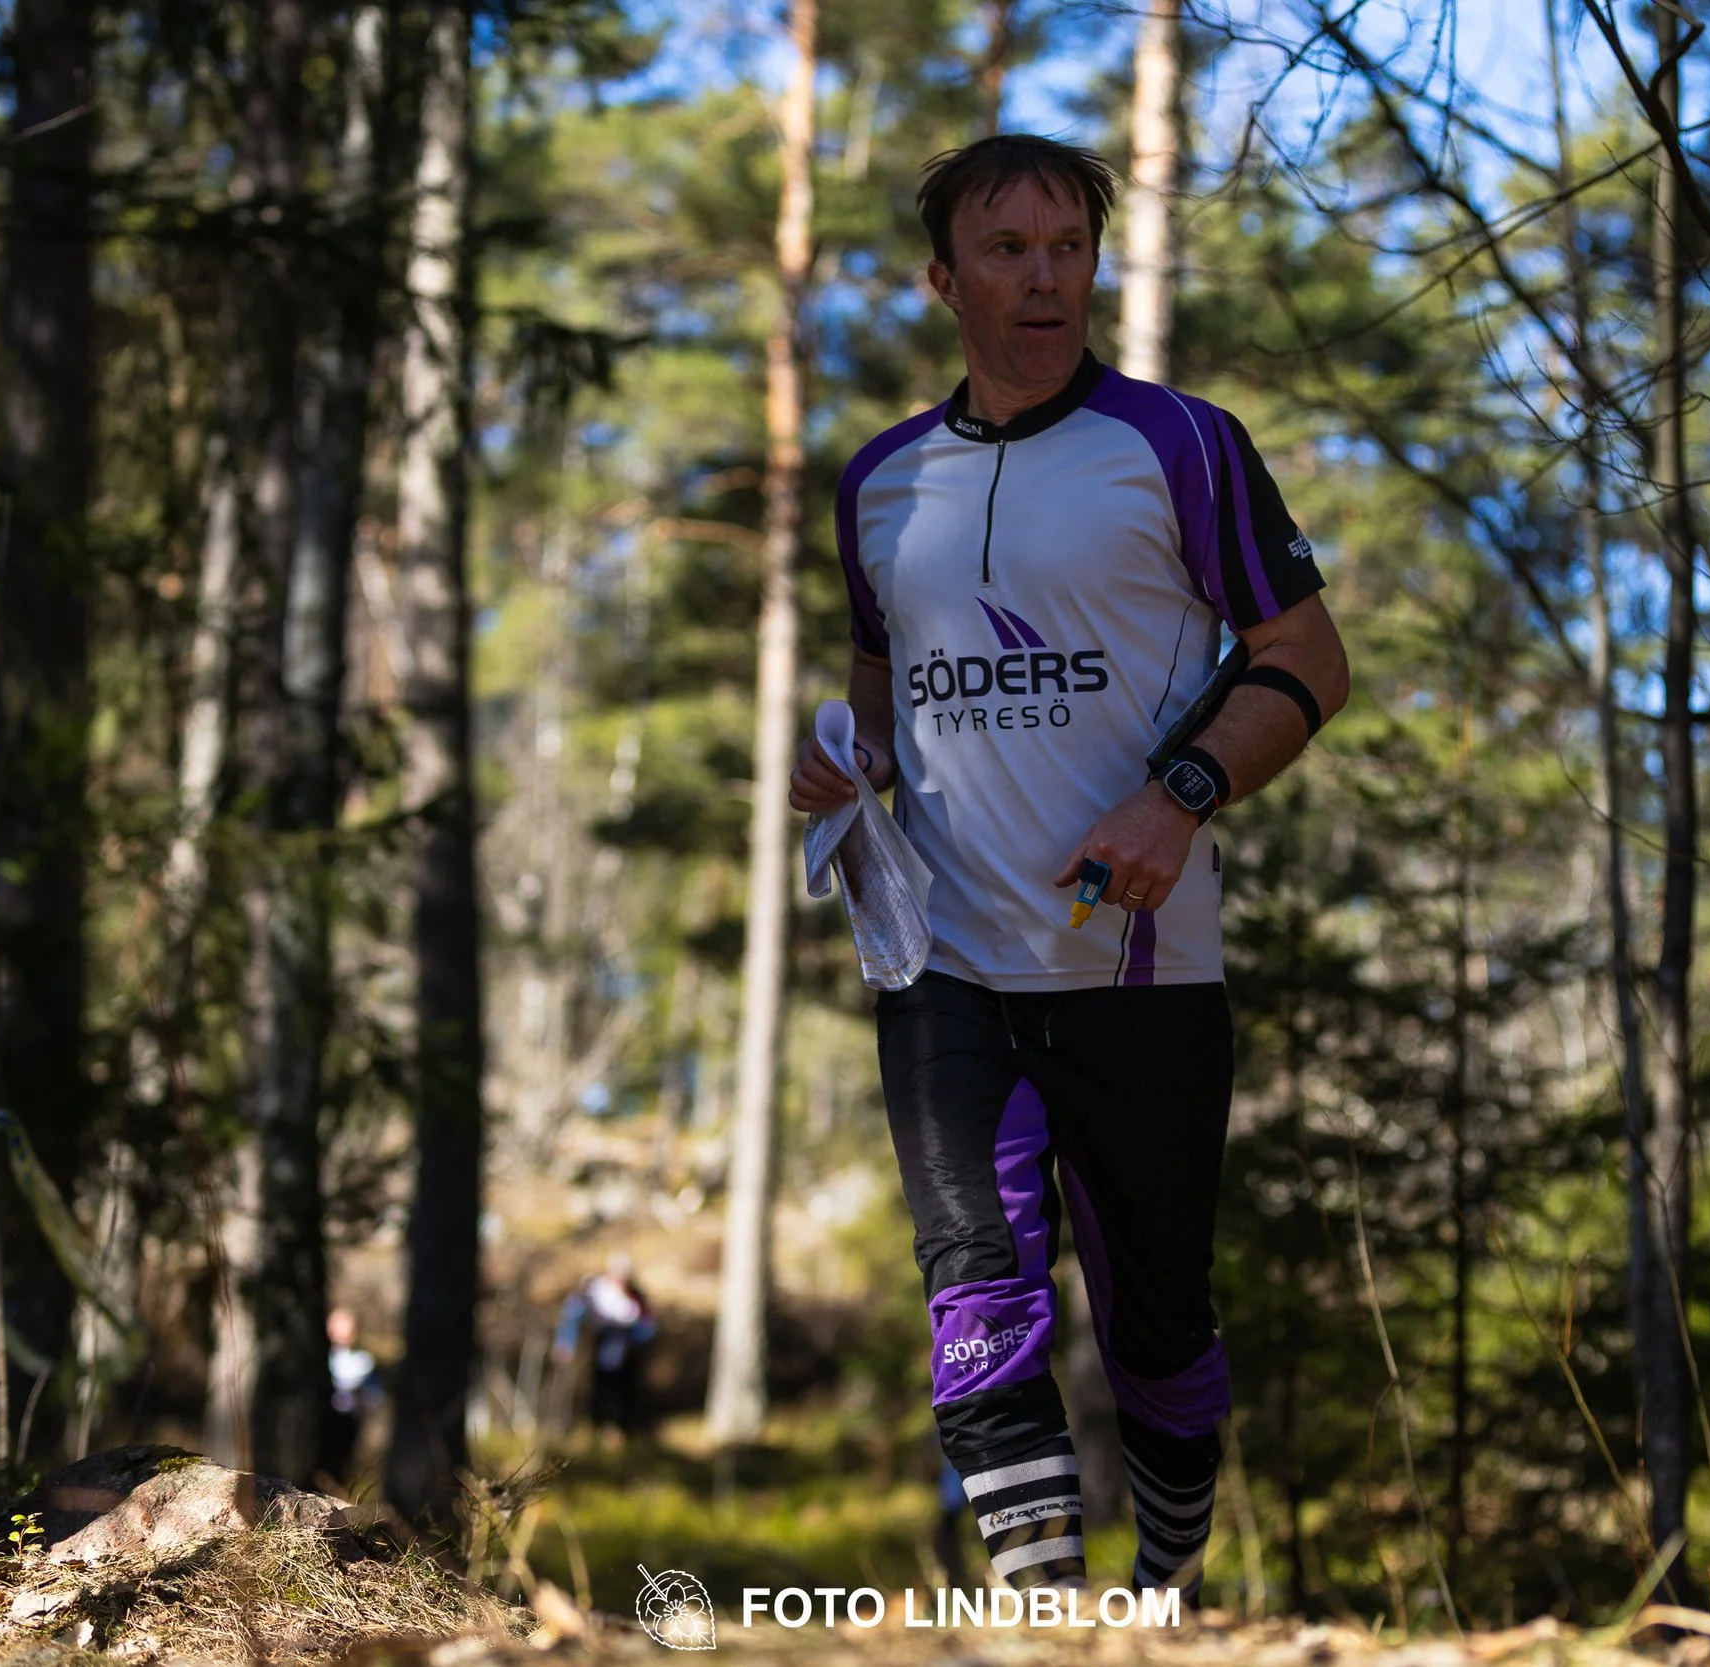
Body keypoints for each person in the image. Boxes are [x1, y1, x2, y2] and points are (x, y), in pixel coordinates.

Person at [791, 135, 1349, 1598]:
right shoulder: (877, 483)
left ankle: (1160, 1595)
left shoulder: (1182, 442)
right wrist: (847, 769)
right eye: (1008, 249)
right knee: (973, 1294)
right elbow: (880, 684)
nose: (1044, 278)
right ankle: (1047, 1615)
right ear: (942, 278)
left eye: (1067, 248)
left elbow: (1307, 656)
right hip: (950, 972)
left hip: (1140, 965)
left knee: (1160, 1331)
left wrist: (1177, 797)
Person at [553, 1253, 657, 1441]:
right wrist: (566, 1342)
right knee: (601, 1384)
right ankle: (599, 1425)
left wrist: (638, 1343)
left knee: (626, 1387)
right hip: (602, 1342)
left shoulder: (636, 1296)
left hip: (627, 1347)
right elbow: (572, 1315)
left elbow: (647, 1325)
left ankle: (623, 1427)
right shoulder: (594, 1290)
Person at [323, 1307, 384, 1481]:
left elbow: (375, 1398)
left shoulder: (364, 1362)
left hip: (348, 1424)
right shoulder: (318, 1359)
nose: (341, 1334)